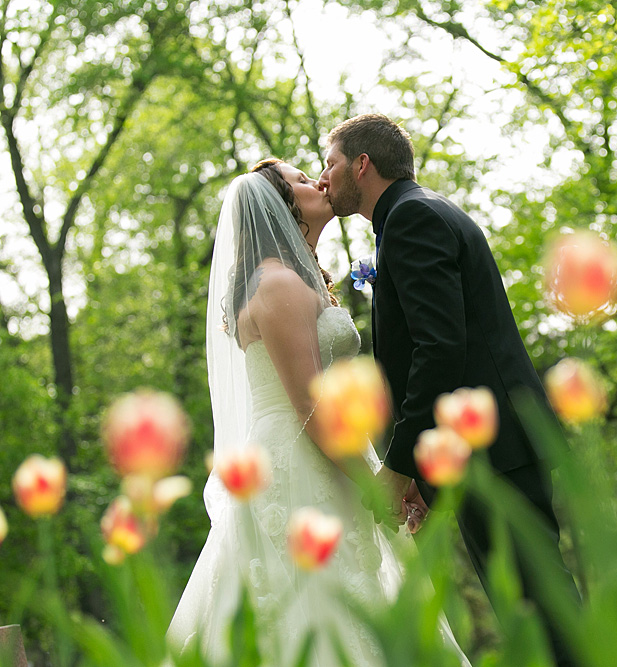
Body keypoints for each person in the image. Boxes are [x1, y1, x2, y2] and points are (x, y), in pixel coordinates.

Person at [166, 159, 468, 666]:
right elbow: (309, 405)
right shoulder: (278, 284)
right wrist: (376, 482)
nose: (319, 181)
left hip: (323, 451)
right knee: (313, 609)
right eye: (303, 180)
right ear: (282, 206)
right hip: (297, 464)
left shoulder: (294, 280)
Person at [318, 113, 580, 667]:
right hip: (487, 449)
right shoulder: (419, 212)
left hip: (490, 451)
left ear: (361, 165)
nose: (324, 177)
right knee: (534, 610)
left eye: (331, 163)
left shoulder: (412, 218)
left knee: (541, 612)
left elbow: (440, 350)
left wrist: (400, 463)